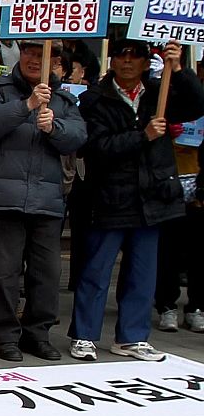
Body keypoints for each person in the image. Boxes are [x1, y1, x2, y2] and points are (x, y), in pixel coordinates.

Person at [68, 37, 204, 362]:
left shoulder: (159, 91)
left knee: (143, 273)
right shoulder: (94, 99)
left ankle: (132, 337)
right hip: (109, 197)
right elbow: (96, 146)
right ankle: (84, 335)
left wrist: (179, 69)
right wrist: (142, 136)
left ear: (145, 62)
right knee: (96, 270)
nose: (127, 61)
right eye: (121, 55)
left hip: (152, 197)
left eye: (134, 56)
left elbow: (196, 104)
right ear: (112, 61)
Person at [0, 40, 86, 362]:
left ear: (55, 61)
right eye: (29, 53)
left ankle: (38, 334)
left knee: (47, 273)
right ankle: (5, 336)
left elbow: (78, 137)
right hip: (4, 198)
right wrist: (26, 105)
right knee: (5, 273)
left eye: (42, 55)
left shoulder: (64, 99)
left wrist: (55, 128)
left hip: (48, 199)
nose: (35, 60)